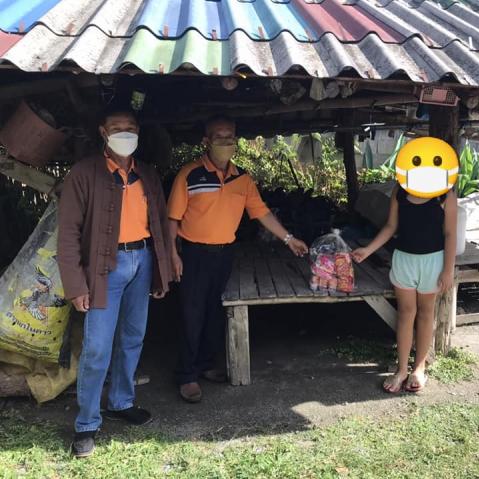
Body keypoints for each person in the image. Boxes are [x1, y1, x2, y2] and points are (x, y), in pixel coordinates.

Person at [57, 107, 173, 457]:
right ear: (103, 132)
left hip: (142, 260)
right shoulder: (84, 174)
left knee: (133, 337)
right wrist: (76, 285)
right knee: (97, 347)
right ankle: (86, 423)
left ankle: (121, 402)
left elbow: (159, 224)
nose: (125, 132)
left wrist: (162, 270)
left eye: (130, 127)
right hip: (104, 267)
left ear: (138, 131)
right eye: (116, 127)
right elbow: (68, 234)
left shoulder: (147, 174)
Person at [168, 116, 308, 403]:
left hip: (225, 253)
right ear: (206, 142)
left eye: (230, 136)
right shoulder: (189, 175)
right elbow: (172, 219)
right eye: (219, 136)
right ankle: (187, 375)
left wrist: (289, 239)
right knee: (191, 313)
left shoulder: (242, 178)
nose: (225, 141)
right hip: (194, 254)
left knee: (214, 310)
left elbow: (261, 212)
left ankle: (206, 364)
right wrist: (172, 254)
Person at [351, 184, 457, 393]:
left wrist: (448, 270)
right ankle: (401, 369)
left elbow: (450, 234)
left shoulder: (445, 193)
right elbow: (391, 226)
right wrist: (368, 250)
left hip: (433, 262)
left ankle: (419, 368)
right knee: (406, 313)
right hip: (403, 260)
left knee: (426, 313)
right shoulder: (400, 190)